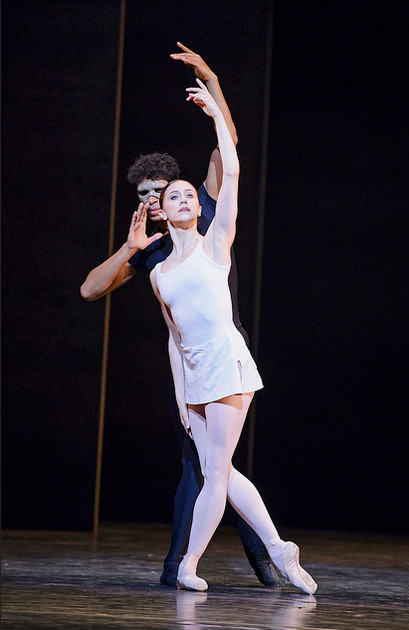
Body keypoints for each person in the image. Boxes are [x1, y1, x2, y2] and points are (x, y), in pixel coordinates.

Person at [80, 43, 279, 588]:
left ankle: (243, 558)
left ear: (173, 192)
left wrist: (211, 78)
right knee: (207, 469)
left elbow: (229, 149)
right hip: (186, 364)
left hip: (225, 352)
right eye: (142, 196)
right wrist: (128, 247)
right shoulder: (148, 248)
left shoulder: (205, 210)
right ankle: (206, 561)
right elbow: (90, 290)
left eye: (157, 193)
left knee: (219, 470)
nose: (151, 201)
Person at [145, 79, 318, 594]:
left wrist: (216, 111)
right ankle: (279, 547)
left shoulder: (215, 243)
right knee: (220, 469)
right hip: (196, 372)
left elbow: (233, 166)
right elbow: (175, 339)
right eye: (169, 196)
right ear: (161, 209)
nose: (178, 198)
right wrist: (180, 393)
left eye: (185, 194)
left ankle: (188, 564)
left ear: (198, 207)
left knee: (215, 476)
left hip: (226, 361)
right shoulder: (159, 273)